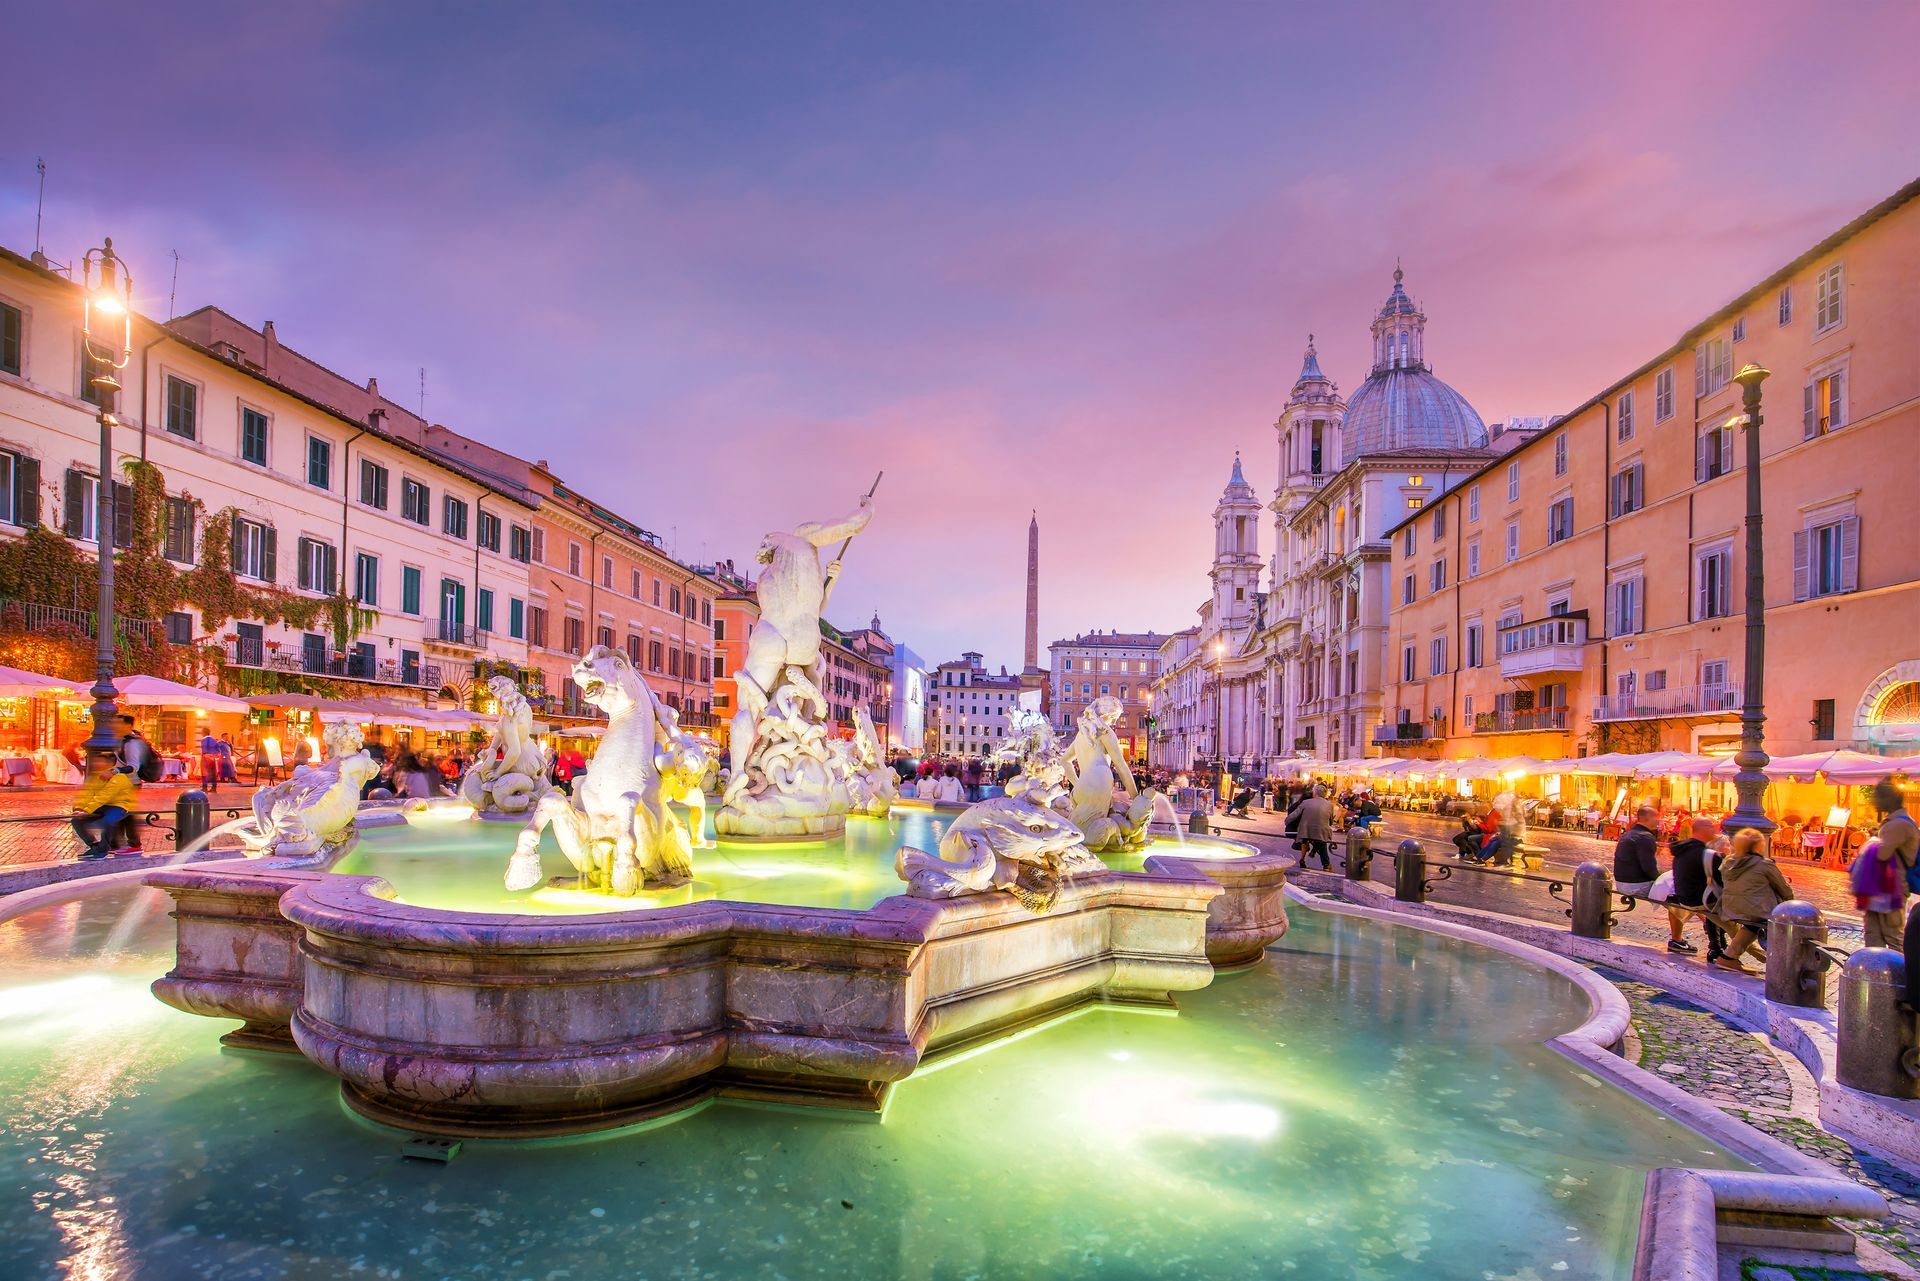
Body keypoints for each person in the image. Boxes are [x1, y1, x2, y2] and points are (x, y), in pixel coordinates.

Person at [1714, 828, 1795, 974]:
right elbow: (1784, 889)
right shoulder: (1764, 864)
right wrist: (1791, 906)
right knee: (1772, 920)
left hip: (1731, 907)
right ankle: (1783, 965)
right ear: (1759, 845)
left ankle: (1729, 957)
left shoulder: (1728, 862)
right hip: (1756, 910)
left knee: (1751, 924)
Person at [1864, 781, 1918, 949]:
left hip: (1892, 890)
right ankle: (1875, 973)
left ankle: (1900, 974)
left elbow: (1881, 854)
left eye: (1877, 797)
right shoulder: (1893, 822)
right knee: (1873, 936)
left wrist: (1870, 844)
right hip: (1879, 889)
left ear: (1890, 799)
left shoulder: (1899, 824)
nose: (1874, 801)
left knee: (1893, 938)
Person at [1666, 817, 1724, 958]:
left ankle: (1719, 946)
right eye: (1711, 826)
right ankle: (1719, 948)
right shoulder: (1707, 854)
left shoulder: (1681, 850)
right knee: (1721, 902)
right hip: (1700, 901)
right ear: (1703, 829)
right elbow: (1723, 882)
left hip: (1682, 897)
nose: (1714, 829)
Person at [71, 756, 138, 859]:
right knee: (76, 820)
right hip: (103, 806)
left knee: (107, 821)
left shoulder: (119, 777)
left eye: (99, 762)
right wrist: (79, 808)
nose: (96, 764)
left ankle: (103, 849)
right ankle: (94, 846)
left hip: (119, 805)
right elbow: (87, 793)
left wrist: (86, 810)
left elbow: (105, 795)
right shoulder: (97, 776)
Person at [1612, 806, 1662, 896]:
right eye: (1655, 817)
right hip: (1635, 885)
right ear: (1644, 818)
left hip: (1621, 882)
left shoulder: (1629, 833)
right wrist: (1661, 880)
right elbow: (1649, 868)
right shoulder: (1645, 837)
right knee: (1673, 889)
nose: (1658, 820)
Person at [1290, 784, 1335, 870]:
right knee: (1322, 841)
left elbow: (1294, 814)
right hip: (1318, 830)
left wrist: (1288, 823)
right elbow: (1330, 820)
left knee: (1306, 838)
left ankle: (1304, 858)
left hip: (1304, 830)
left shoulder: (1305, 802)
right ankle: (1325, 864)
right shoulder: (1328, 805)